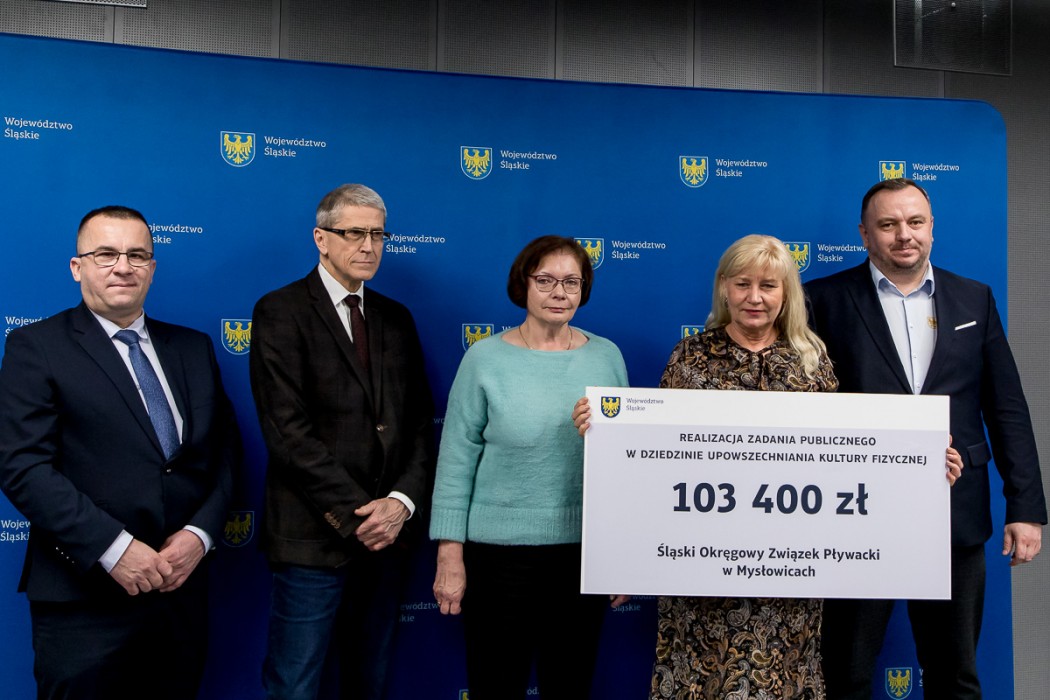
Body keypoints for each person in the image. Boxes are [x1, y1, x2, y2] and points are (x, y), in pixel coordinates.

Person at [807, 178, 1047, 700]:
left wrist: (1026, 506)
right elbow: (804, 409)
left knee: (955, 676)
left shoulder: (974, 298)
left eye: (915, 222)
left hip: (954, 513)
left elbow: (1006, 408)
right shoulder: (822, 299)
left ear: (932, 228)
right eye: (888, 224)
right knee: (846, 675)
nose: (904, 235)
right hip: (855, 516)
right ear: (864, 234)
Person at [0, 205, 240, 699]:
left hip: (179, 594)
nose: (123, 266)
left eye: (137, 255)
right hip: (83, 597)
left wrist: (199, 536)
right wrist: (115, 549)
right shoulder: (35, 346)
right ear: (77, 267)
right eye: (106, 254)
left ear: (152, 267)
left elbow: (226, 453)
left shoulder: (193, 348)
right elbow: (23, 466)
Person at [249, 183, 435, 700]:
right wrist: (361, 518)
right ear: (321, 238)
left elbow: (419, 424)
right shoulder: (280, 310)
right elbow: (287, 433)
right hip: (312, 539)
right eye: (354, 233)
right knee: (294, 685)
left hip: (389, 539)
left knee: (368, 683)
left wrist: (399, 504)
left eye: (378, 234)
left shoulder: (396, 318)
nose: (368, 246)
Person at [430, 235, 629, 700]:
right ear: (524, 284)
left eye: (572, 282)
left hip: (582, 556)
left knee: (570, 687)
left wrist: (620, 553)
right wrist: (449, 554)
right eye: (546, 281)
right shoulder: (484, 359)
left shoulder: (607, 356)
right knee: (496, 687)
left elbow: (625, 463)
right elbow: (456, 459)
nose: (560, 293)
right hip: (497, 558)